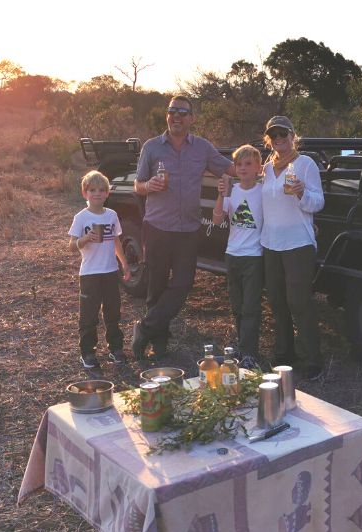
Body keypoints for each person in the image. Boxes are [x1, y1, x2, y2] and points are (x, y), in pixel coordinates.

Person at [132, 96, 234, 360]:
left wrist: (265, 167)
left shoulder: (202, 148)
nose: (176, 116)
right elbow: (138, 184)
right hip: (157, 226)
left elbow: (230, 168)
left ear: (192, 118)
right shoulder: (152, 147)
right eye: (172, 111)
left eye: (182, 112)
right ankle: (159, 341)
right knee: (156, 285)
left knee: (183, 284)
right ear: (167, 116)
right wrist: (148, 186)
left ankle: (144, 329)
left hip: (188, 229)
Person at [260, 116, 325, 381]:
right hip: (271, 243)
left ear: (292, 135)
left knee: (299, 301)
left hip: (298, 243)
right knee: (277, 301)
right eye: (273, 135)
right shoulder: (266, 167)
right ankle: (284, 355)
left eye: (283, 134)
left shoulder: (305, 164)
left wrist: (301, 194)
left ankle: (313, 359)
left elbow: (318, 203)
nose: (279, 139)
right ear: (269, 139)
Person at [68, 170, 131, 369]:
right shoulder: (81, 217)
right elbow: (71, 245)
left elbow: (116, 241)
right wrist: (84, 239)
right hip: (89, 274)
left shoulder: (111, 215)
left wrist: (124, 263)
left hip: (110, 272)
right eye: (92, 190)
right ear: (85, 193)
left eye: (102, 190)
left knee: (113, 313)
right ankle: (87, 353)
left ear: (107, 194)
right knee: (89, 316)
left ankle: (116, 349)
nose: (97, 194)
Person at [213, 145, 265, 370]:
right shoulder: (231, 191)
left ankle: (250, 354)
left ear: (258, 168)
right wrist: (220, 194)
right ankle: (244, 347)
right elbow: (216, 220)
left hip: (254, 256)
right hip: (232, 254)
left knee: (251, 306)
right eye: (239, 164)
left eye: (248, 164)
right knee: (237, 305)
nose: (243, 168)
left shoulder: (263, 191)